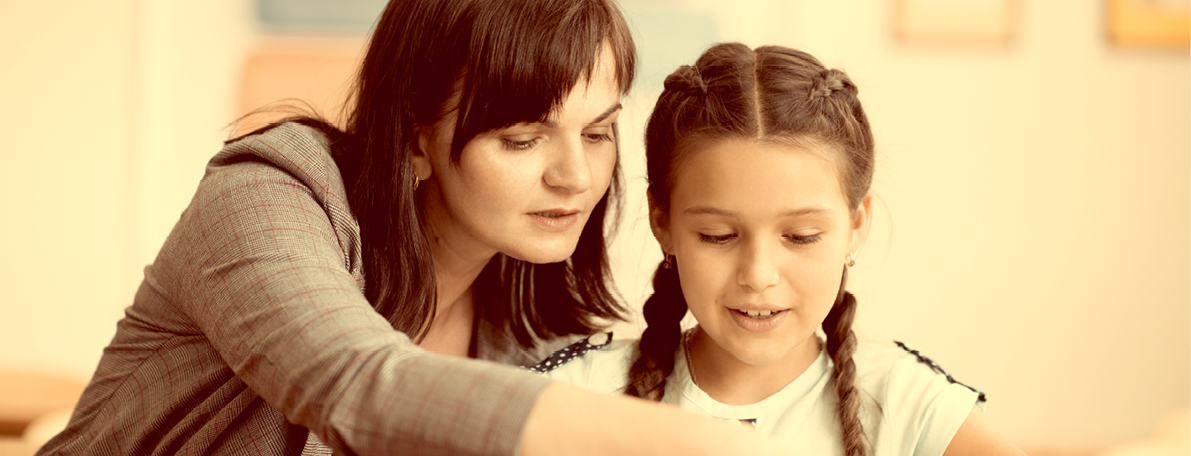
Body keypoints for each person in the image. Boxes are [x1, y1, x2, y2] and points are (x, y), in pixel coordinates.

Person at [37, 2, 795, 455]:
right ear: (411, 138)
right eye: (523, 139)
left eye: (596, 133)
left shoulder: (531, 330)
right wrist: (710, 443)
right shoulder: (270, 193)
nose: (576, 178)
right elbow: (360, 387)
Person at [537, 42, 1027, 456]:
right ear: (661, 222)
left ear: (856, 226)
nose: (759, 274)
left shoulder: (911, 405)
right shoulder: (575, 394)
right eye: (718, 236)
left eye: (801, 237)